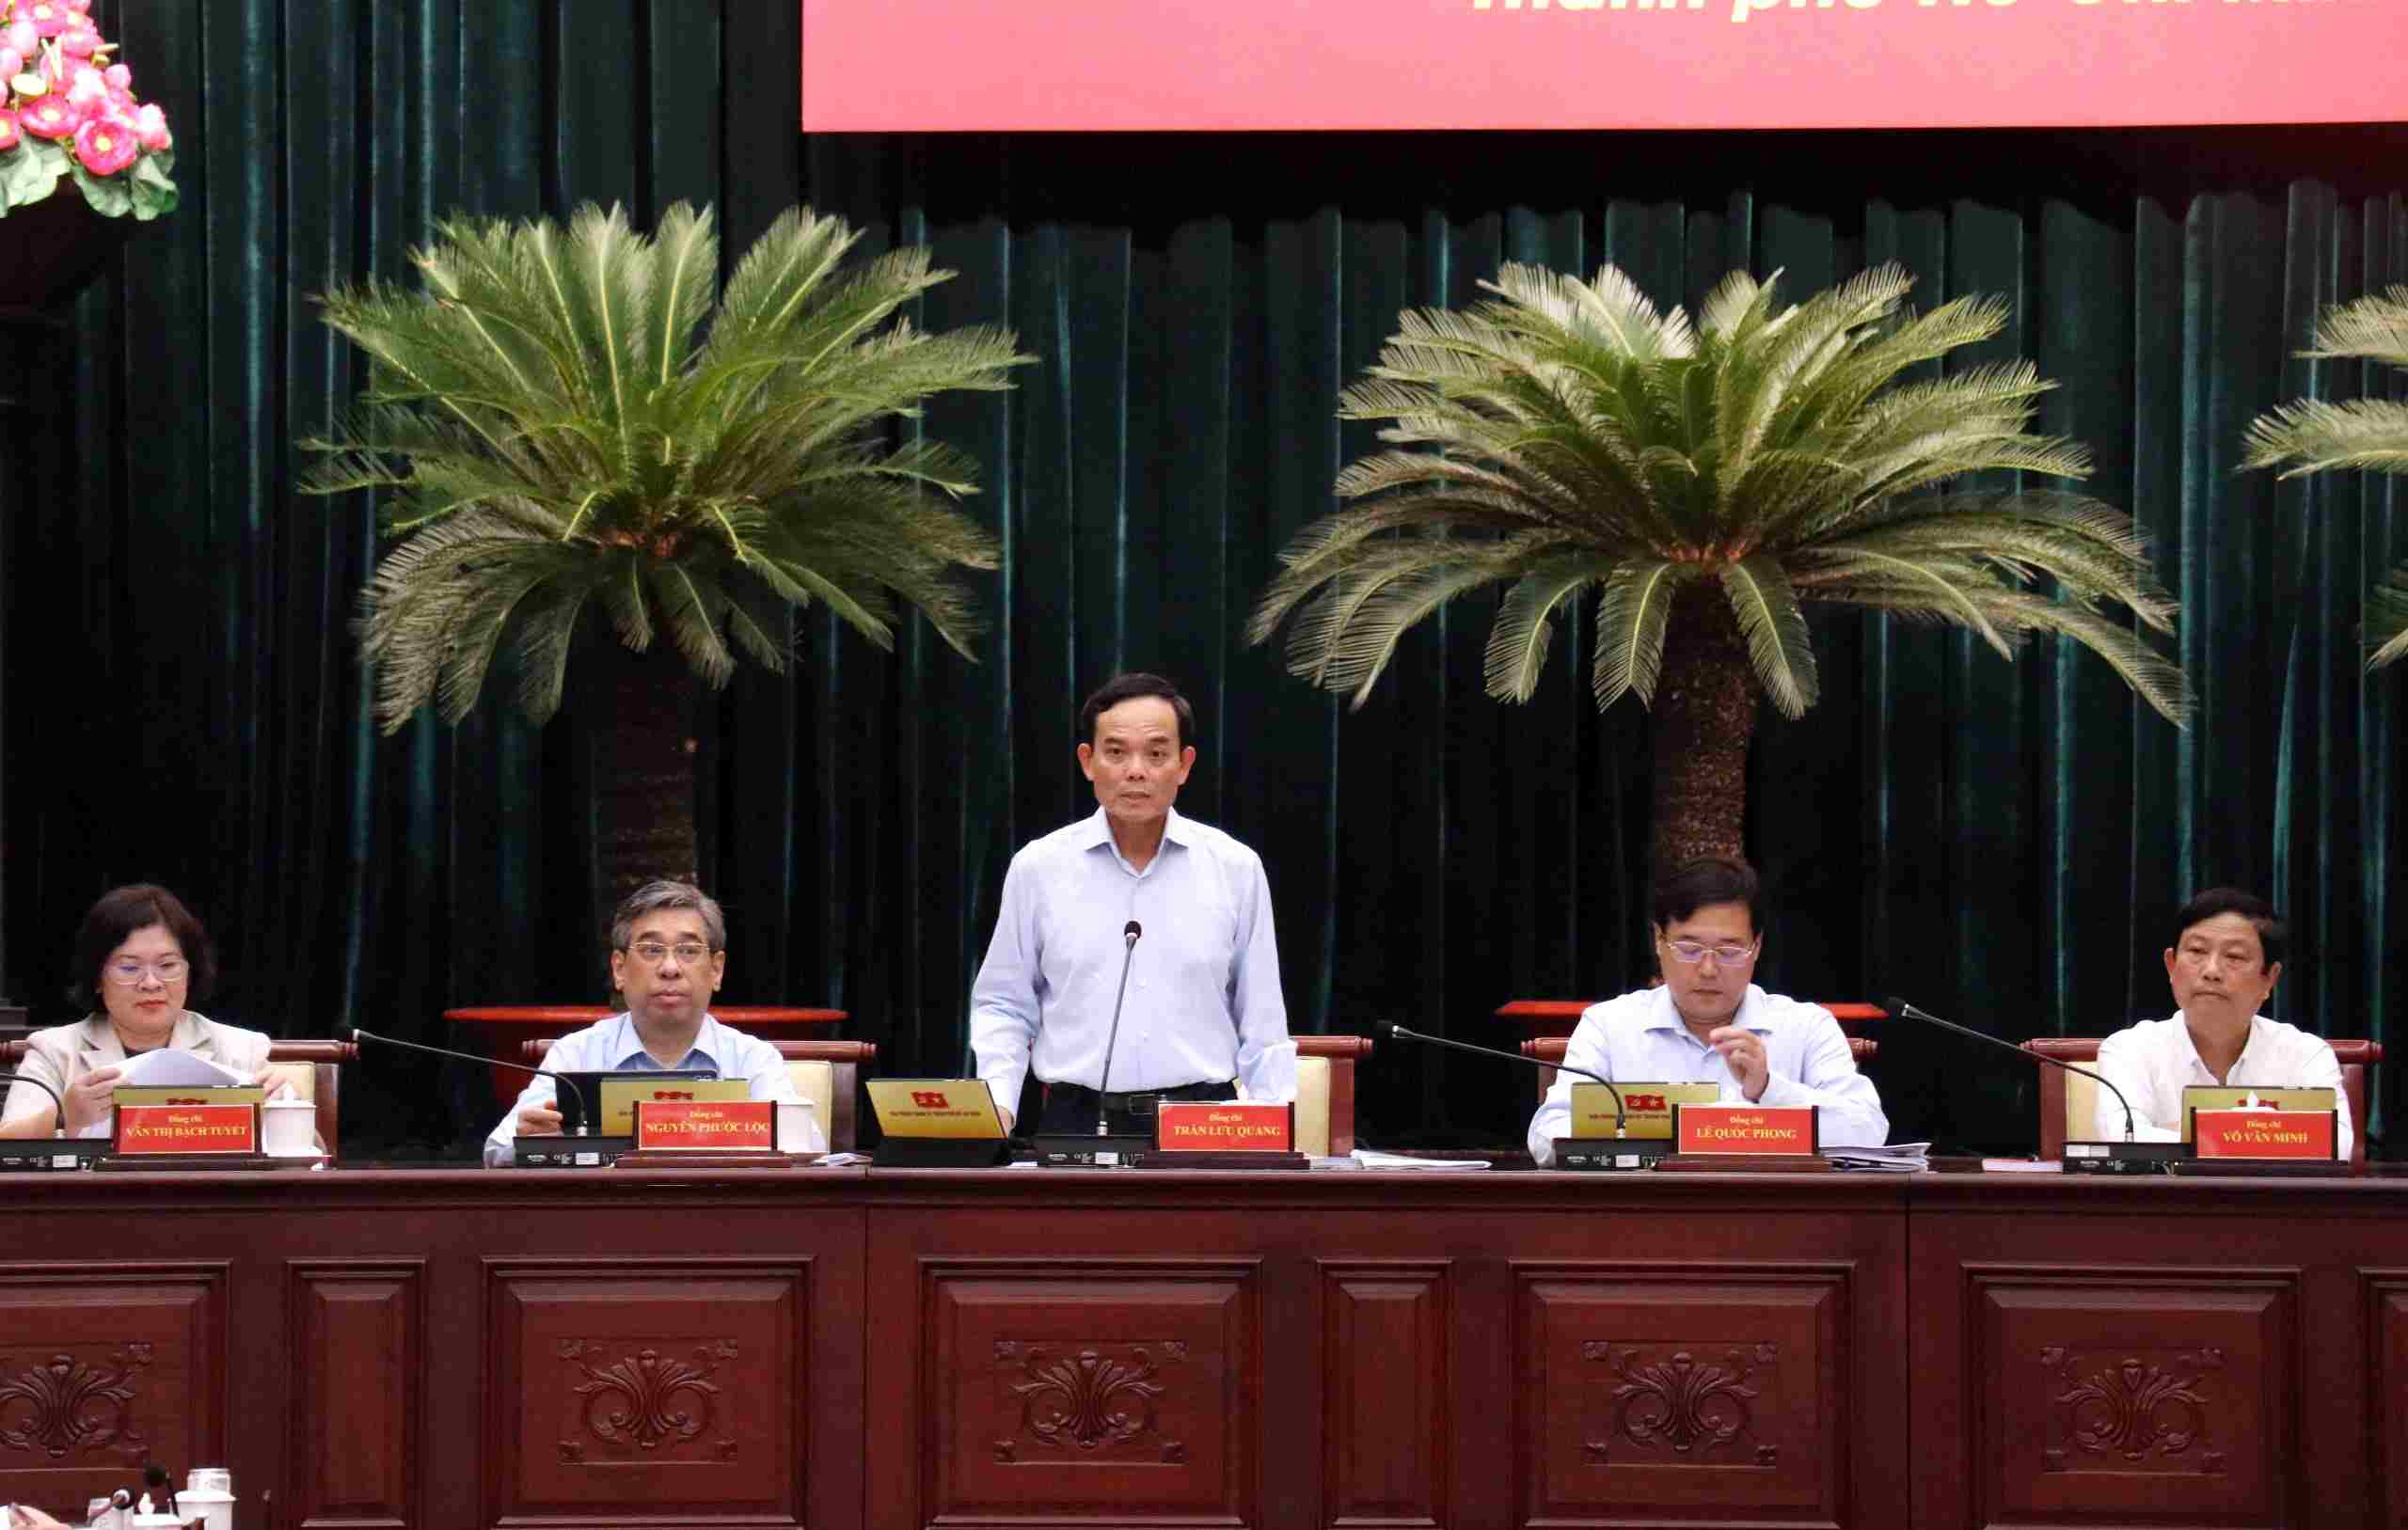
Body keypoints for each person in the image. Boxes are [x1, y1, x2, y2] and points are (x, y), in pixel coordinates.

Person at [969, 672, 1295, 1134]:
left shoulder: (1235, 868)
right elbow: (1004, 1003)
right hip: (1075, 1120)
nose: (1136, 771)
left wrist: (1270, 1130)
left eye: (1157, 754)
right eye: (1116, 752)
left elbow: (1262, 1018)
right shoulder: (1038, 868)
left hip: (1203, 1123)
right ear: (1088, 761)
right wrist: (998, 1108)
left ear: (1184, 765)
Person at [1527, 857, 1887, 1164]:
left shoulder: (1806, 1027)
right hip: (1643, 1223)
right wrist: (1661, 1137)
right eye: (1689, 948)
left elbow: (1868, 1132)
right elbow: (1548, 1135)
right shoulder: (1609, 1025)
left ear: (1757, 947)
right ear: (1658, 940)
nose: (1709, 969)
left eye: (1729, 951)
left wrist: (1769, 1089)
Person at [483, 879, 823, 1165]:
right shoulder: (575, 1054)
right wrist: (527, 1143)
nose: (670, 967)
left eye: (688, 951)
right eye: (651, 950)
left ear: (716, 969)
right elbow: (496, 1150)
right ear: (619, 969)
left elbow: (808, 1154)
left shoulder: (752, 1059)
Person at [1, 884, 287, 1140]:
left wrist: (281, 1111)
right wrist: (64, 1116)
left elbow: (313, 1153)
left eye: (167, 966)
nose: (151, 983)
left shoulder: (242, 1049)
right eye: (129, 967)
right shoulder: (56, 1050)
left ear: (190, 972)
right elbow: (7, 1143)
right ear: (97, 978)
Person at [2092, 887, 2350, 1157]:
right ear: (2171, 965)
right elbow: (2123, 1137)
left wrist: (2186, 1133)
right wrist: (2273, 1134)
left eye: (2234, 957)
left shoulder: (2306, 1054)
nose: (2211, 971)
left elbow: (2337, 1145)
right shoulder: (2130, 1048)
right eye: (2197, 951)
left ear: (2269, 979)